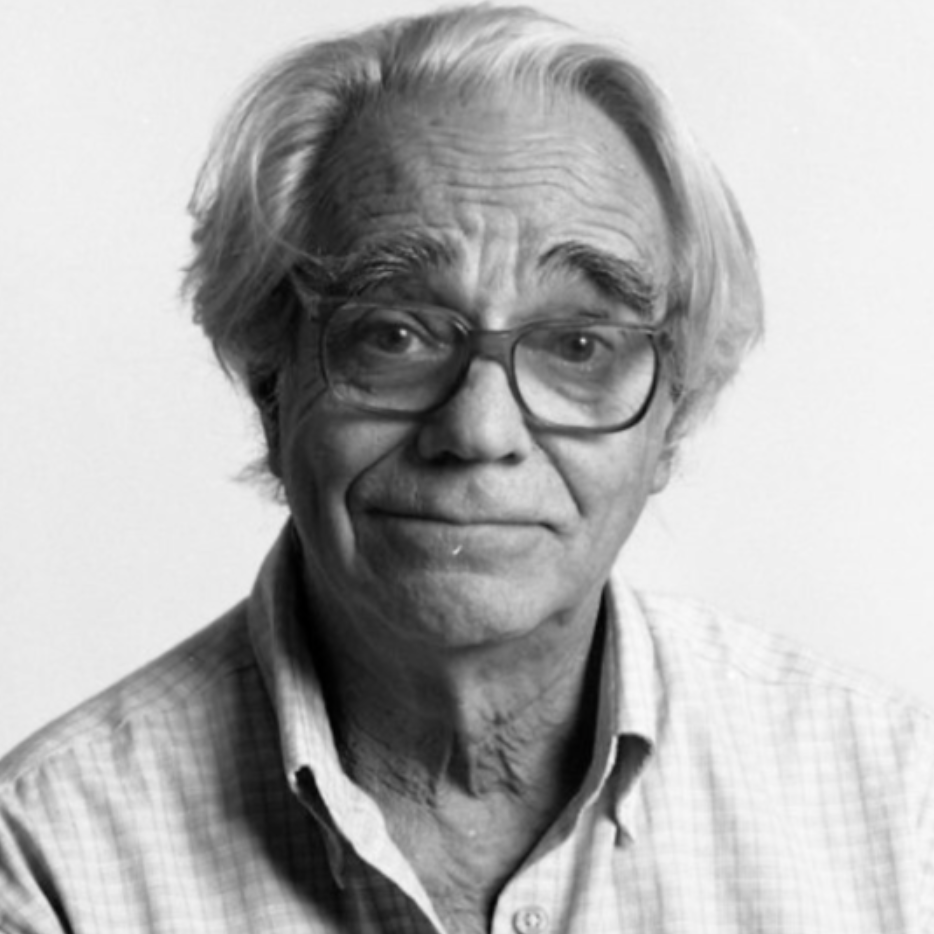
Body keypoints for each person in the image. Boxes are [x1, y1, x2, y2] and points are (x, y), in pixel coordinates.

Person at [1, 4, 931, 932]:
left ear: (675, 419)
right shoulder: (49, 862)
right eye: (395, 334)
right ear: (270, 387)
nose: (480, 430)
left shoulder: (898, 806)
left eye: (578, 345)